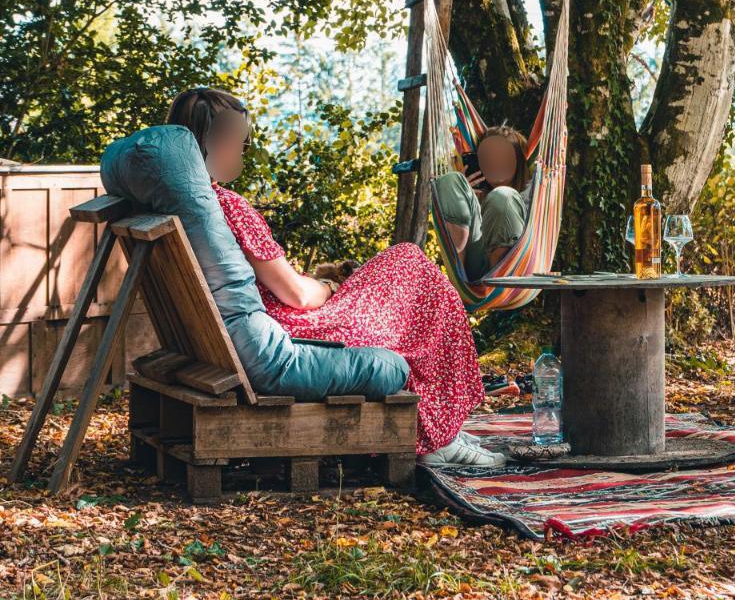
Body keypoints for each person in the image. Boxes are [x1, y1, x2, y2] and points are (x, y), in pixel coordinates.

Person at [165, 87, 504, 468]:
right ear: (213, 143)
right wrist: (330, 288)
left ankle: (442, 424)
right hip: (295, 329)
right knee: (410, 263)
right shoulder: (229, 207)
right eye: (240, 142)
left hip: (255, 331)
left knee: (404, 272)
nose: (243, 150)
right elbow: (295, 293)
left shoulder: (184, 207)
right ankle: (437, 435)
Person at [431, 124, 531, 281]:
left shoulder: (531, 193)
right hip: (473, 268)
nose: (494, 160)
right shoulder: (473, 197)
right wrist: (462, 193)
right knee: (450, 180)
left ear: (517, 160)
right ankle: (458, 279)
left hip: (514, 266)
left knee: (503, 196)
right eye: (487, 156)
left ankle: (498, 277)